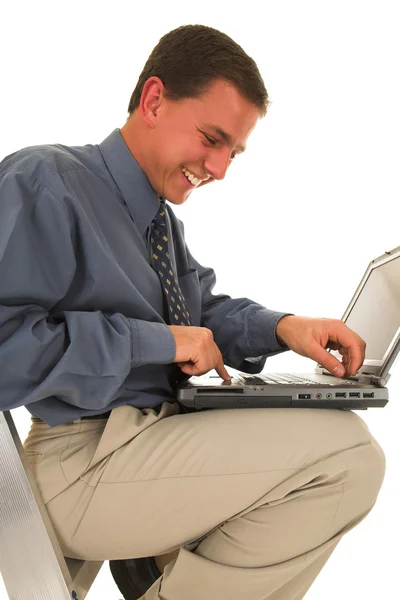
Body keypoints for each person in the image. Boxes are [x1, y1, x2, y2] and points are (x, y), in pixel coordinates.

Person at [0, 24, 385, 600]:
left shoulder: (158, 223)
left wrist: (285, 328)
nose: (221, 168)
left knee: (336, 445)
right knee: (347, 457)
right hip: (81, 460)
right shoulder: (45, 182)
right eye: (212, 138)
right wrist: (157, 343)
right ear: (154, 100)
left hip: (149, 441)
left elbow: (199, 313)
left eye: (233, 152)